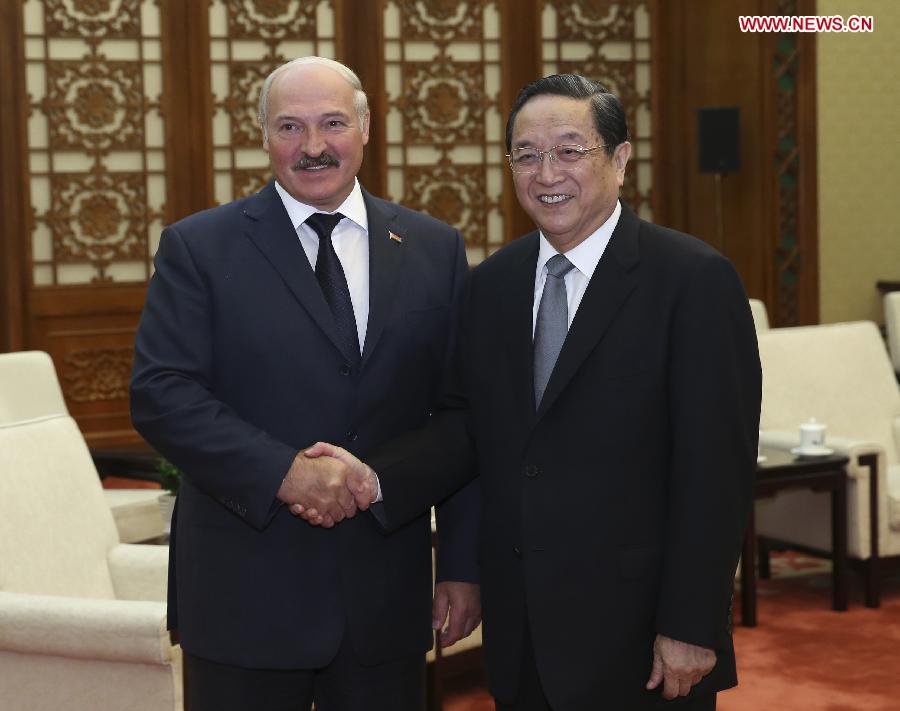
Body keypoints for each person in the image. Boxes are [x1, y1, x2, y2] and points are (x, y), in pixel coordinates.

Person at [299, 75, 762, 710]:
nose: (548, 173)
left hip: (641, 632)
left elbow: (717, 473)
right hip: (522, 630)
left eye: (571, 150)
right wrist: (377, 478)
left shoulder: (693, 282)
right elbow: (467, 427)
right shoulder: (493, 285)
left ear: (620, 159)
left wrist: (691, 623)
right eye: (527, 154)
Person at [130, 56, 480, 711]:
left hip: (385, 600)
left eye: (332, 123)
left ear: (367, 127)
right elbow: (162, 393)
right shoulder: (199, 248)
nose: (313, 146)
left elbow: (461, 415)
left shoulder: (435, 247)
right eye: (290, 126)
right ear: (262, 134)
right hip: (243, 599)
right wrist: (282, 471)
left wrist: (461, 566)